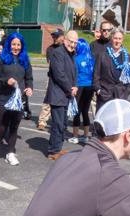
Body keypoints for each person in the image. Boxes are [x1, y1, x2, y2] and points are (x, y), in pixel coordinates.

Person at [0, 33, 33, 166]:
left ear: (22, 46)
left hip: (19, 100)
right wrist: (6, 81)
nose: (16, 47)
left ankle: (10, 153)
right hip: (4, 98)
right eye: (13, 44)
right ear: (9, 44)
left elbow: (29, 78)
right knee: (2, 127)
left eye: (18, 44)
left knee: (14, 128)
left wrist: (29, 88)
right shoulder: (1, 59)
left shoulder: (24, 60)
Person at [46, 30, 79, 161]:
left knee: (63, 124)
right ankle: (53, 150)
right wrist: (70, 89)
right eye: (71, 42)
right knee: (58, 124)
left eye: (75, 43)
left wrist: (75, 85)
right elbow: (59, 75)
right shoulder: (57, 53)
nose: (73, 45)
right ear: (65, 40)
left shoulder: (71, 54)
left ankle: (57, 148)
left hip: (66, 94)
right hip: (58, 94)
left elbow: (73, 73)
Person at [93, 28, 130, 107]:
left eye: (120, 39)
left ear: (122, 40)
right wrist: (98, 90)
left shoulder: (128, 57)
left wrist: (127, 92)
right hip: (104, 95)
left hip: (121, 96)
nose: (117, 41)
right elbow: (96, 75)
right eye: (115, 38)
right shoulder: (102, 55)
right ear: (111, 39)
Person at [37, 29, 65, 130]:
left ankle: (60, 122)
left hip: (64, 79)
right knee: (47, 100)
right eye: (53, 36)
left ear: (62, 36)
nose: (54, 38)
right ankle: (42, 121)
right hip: (52, 78)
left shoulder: (66, 48)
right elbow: (50, 64)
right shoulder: (50, 49)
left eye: (56, 36)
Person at [70, 38, 95, 144]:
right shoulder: (91, 59)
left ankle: (75, 136)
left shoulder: (76, 58)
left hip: (79, 86)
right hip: (90, 86)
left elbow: (73, 73)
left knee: (77, 110)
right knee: (85, 111)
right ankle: (85, 136)